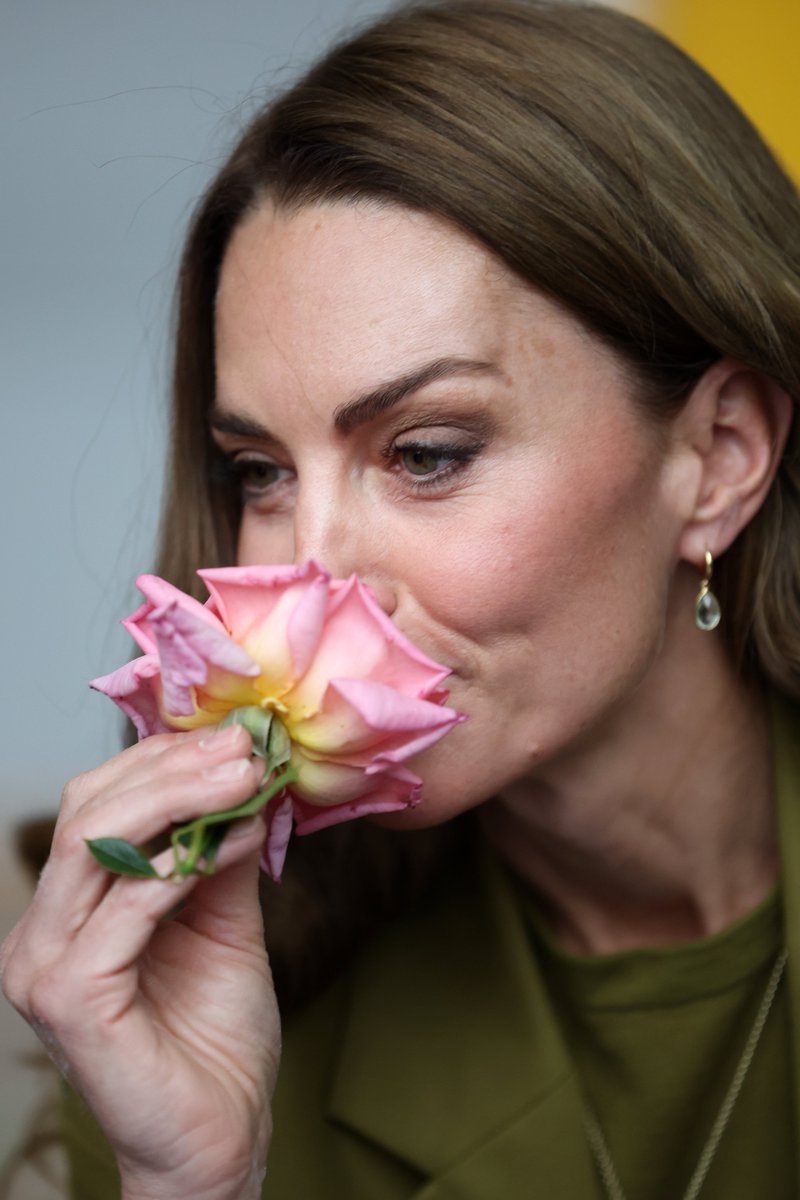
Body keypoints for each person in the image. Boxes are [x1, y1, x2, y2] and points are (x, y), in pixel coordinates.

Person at [3, 0, 800, 1196]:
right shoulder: (162, 1007)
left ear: (719, 456)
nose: (307, 569)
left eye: (425, 452)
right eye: (258, 472)